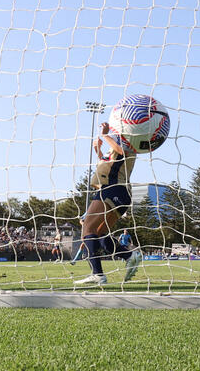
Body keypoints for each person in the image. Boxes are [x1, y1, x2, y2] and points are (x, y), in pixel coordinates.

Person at [74, 121, 142, 285]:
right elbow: (108, 161)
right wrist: (98, 149)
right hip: (120, 193)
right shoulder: (119, 146)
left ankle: (97, 274)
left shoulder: (127, 142)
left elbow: (121, 152)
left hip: (112, 189)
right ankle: (129, 255)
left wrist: (105, 135)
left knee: (87, 229)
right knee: (99, 234)